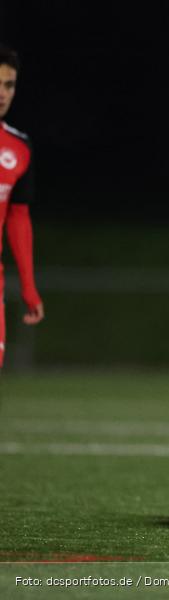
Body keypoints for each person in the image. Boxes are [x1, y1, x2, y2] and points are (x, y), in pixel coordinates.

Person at [0, 44, 44, 371]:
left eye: (9, 85)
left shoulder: (19, 147)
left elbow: (19, 217)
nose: (2, 93)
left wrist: (28, 285)